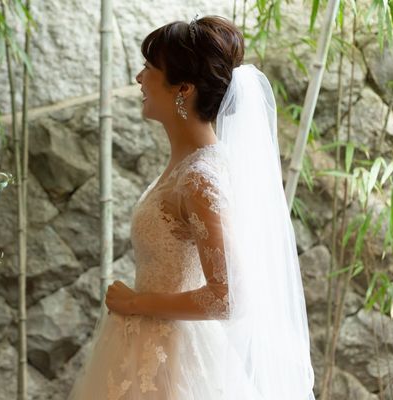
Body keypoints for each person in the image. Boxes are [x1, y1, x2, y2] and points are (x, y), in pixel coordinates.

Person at [69, 16, 315, 399]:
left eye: (149, 68)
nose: (138, 78)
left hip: (171, 362)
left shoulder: (200, 179)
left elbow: (229, 296)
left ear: (183, 88)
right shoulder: (191, 165)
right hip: (149, 348)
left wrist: (137, 302)